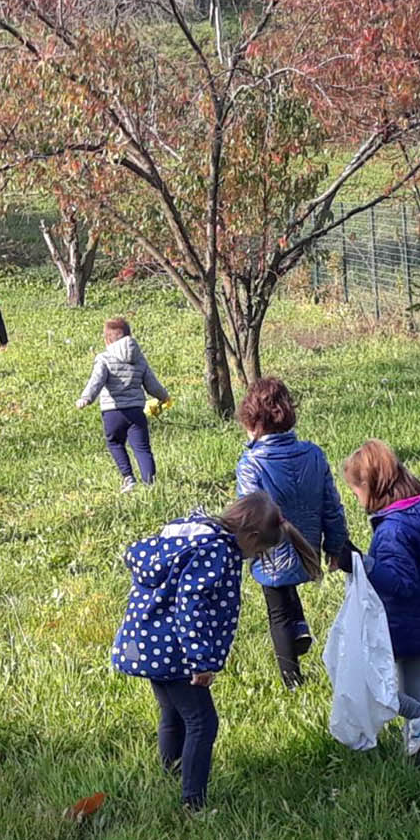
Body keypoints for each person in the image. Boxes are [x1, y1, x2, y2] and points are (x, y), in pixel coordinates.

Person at [111, 491, 318, 811]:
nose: (252, 557)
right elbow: (191, 607)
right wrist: (201, 660)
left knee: (172, 712)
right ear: (249, 536)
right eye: (258, 550)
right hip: (176, 650)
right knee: (202, 722)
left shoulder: (192, 530)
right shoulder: (216, 552)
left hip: (147, 641)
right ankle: (193, 802)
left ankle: (171, 774)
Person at [342, 440, 420, 757]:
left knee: (374, 689)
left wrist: (363, 565)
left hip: (399, 628)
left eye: (355, 492)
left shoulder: (394, 530)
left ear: (370, 486)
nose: (357, 500)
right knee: (415, 694)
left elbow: (401, 584)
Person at [235, 377, 350, 689]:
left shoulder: (251, 463)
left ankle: (292, 681)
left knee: (277, 614)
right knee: (287, 584)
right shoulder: (313, 454)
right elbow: (331, 505)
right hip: (308, 546)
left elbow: (249, 517)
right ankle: (300, 629)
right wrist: (336, 545)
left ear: (252, 421)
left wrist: (239, 552)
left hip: (271, 551)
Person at [76, 318, 170, 492]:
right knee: (142, 448)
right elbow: (152, 384)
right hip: (136, 411)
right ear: (129, 336)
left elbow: (96, 381)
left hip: (113, 412)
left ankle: (128, 477)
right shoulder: (139, 359)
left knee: (115, 442)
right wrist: (164, 396)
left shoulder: (104, 358)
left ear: (107, 340)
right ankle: (150, 484)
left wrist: (86, 398)